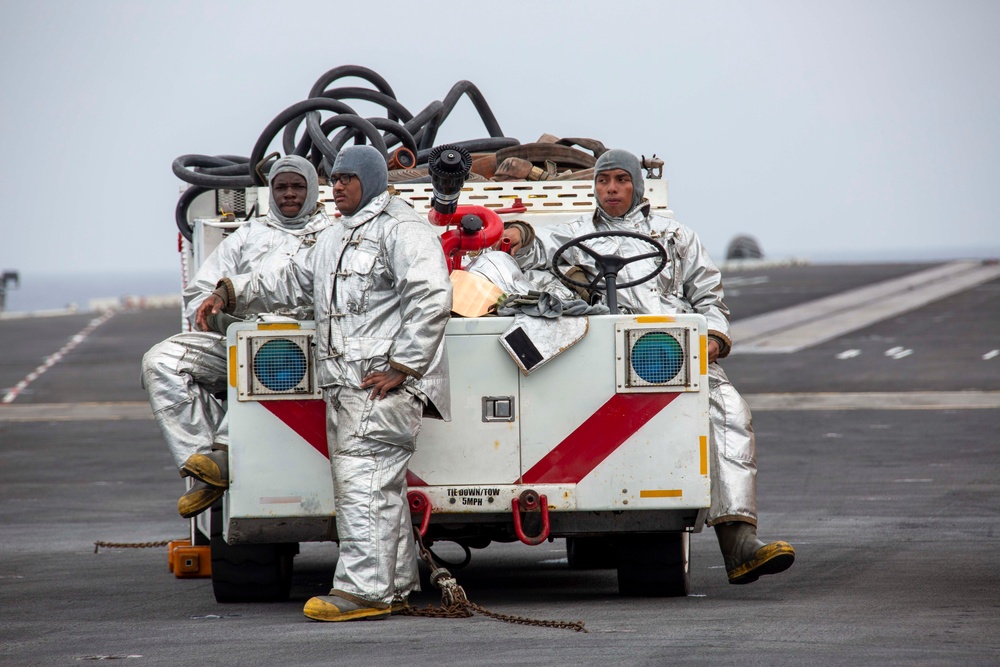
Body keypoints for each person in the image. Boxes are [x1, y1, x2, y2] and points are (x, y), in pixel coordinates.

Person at [506, 149, 795, 585]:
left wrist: (714, 338)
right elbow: (531, 248)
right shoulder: (571, 234)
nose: (612, 189)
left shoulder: (676, 236)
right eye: (604, 181)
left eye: (622, 180)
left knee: (729, 411)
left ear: (638, 186)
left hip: (663, 355)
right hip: (589, 356)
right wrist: (515, 232)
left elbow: (709, 298)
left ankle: (739, 542)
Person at [196, 145, 452, 621]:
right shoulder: (338, 236)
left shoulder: (402, 229)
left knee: (364, 483)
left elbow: (431, 295)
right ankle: (391, 585)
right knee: (379, 487)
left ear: (372, 180)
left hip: (382, 386)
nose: (336, 187)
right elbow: (292, 278)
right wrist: (229, 291)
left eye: (347, 179)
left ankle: (363, 591)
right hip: (349, 387)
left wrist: (404, 366)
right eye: (333, 179)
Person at [141, 155, 331, 519]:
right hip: (239, 341)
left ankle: (228, 450)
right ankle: (208, 464)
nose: (289, 194)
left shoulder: (334, 234)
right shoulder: (247, 236)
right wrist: (229, 324)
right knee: (160, 361)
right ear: (269, 191)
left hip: (314, 348)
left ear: (312, 190)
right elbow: (200, 295)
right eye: (281, 187)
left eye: (297, 186)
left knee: (269, 349)